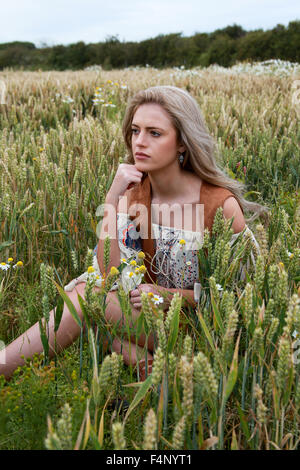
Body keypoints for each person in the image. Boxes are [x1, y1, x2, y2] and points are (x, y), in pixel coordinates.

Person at [0, 86, 265, 381]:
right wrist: (111, 200)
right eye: (135, 130)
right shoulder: (134, 196)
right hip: (146, 321)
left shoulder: (219, 205)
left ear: (182, 143)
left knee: (88, 309)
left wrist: (173, 296)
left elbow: (244, 296)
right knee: (89, 302)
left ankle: (3, 367)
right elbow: (107, 276)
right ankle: (151, 367)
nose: (139, 142)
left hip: (199, 328)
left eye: (155, 133)